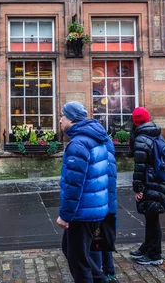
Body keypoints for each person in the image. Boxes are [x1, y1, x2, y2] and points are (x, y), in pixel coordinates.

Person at [56, 101, 113, 283]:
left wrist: (65, 216)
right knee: (70, 249)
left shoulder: (78, 144)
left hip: (83, 211)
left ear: (71, 119)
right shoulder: (96, 137)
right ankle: (100, 279)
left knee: (78, 261)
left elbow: (74, 185)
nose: (60, 120)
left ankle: (99, 280)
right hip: (95, 207)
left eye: (62, 116)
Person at [129, 107, 165, 266]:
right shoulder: (156, 133)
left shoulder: (141, 138)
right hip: (160, 182)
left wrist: (138, 188)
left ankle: (154, 254)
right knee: (151, 217)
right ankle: (147, 247)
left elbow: (139, 167)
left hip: (151, 184)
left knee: (152, 218)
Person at [89, 131, 118, 282]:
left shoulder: (97, 156)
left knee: (96, 242)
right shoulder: (110, 155)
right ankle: (110, 271)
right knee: (105, 239)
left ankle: (99, 275)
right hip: (109, 205)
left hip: (98, 205)